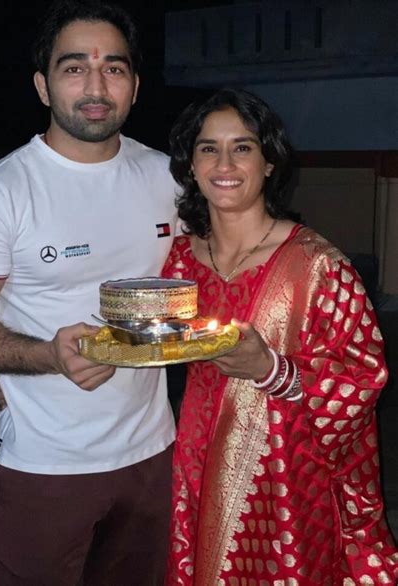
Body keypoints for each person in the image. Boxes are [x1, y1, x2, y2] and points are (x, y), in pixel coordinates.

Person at [0, 1, 179, 584]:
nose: (96, 86)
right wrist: (46, 355)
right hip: (45, 465)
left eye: (114, 68)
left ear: (135, 86)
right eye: (74, 68)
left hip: (155, 454)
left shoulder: (170, 178)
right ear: (43, 86)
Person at [161, 88, 398, 584]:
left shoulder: (318, 266)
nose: (225, 164)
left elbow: (363, 379)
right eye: (208, 148)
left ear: (269, 162)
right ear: (191, 165)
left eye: (243, 147)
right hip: (197, 460)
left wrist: (273, 370)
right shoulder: (178, 262)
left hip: (288, 478)